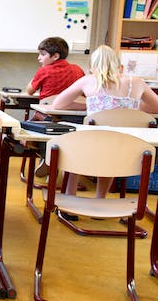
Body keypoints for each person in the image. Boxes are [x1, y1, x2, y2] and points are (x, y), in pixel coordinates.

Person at [50, 45, 158, 216]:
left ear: (92, 67)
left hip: (90, 149)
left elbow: (58, 104)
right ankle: (101, 199)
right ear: (119, 65)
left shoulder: (88, 80)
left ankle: (70, 198)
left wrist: (88, 104)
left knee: (75, 146)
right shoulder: (137, 82)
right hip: (126, 151)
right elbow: (156, 106)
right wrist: (133, 109)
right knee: (112, 147)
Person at [26, 37, 85, 178]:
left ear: (55, 56)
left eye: (42, 54)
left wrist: (38, 74)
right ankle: (68, 170)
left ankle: (46, 154)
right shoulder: (77, 70)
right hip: (75, 120)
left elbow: (29, 91)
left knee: (28, 129)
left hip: (48, 117)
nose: (39, 58)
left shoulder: (44, 71)